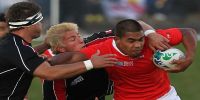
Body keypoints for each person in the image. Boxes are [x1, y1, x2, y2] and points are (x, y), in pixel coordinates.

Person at [51, 19, 197, 100]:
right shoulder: (104, 48)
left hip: (164, 97)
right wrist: (46, 62)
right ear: (117, 39)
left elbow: (187, 32)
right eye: (131, 41)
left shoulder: (153, 40)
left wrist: (189, 57)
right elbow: (72, 56)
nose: (138, 45)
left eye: (140, 39)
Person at [0, 2, 118, 99]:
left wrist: (45, 45)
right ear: (30, 24)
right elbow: (49, 73)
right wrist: (91, 63)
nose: (42, 24)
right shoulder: (18, 47)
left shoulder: (14, 44)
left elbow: (24, 56)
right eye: (39, 21)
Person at [42, 22, 114, 100]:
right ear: (61, 48)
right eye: (73, 39)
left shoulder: (92, 43)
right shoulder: (55, 76)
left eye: (79, 35)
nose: (81, 40)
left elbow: (120, 31)